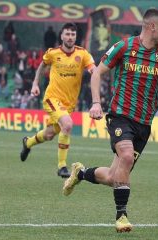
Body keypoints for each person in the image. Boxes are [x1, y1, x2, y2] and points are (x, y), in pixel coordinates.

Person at [62, 8, 158, 233]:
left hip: (144, 123)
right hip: (120, 115)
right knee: (127, 157)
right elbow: (97, 73)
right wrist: (96, 102)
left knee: (115, 177)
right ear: (152, 27)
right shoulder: (124, 46)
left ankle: (80, 173)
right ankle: (121, 216)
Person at [20, 23, 95, 178]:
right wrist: (35, 83)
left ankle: (28, 143)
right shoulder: (53, 53)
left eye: (73, 35)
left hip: (69, 104)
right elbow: (42, 65)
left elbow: (93, 69)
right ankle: (62, 167)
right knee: (67, 124)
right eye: (67, 34)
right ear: (61, 36)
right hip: (52, 98)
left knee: (48, 135)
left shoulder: (83, 54)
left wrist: (95, 72)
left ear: (76, 37)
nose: (70, 37)